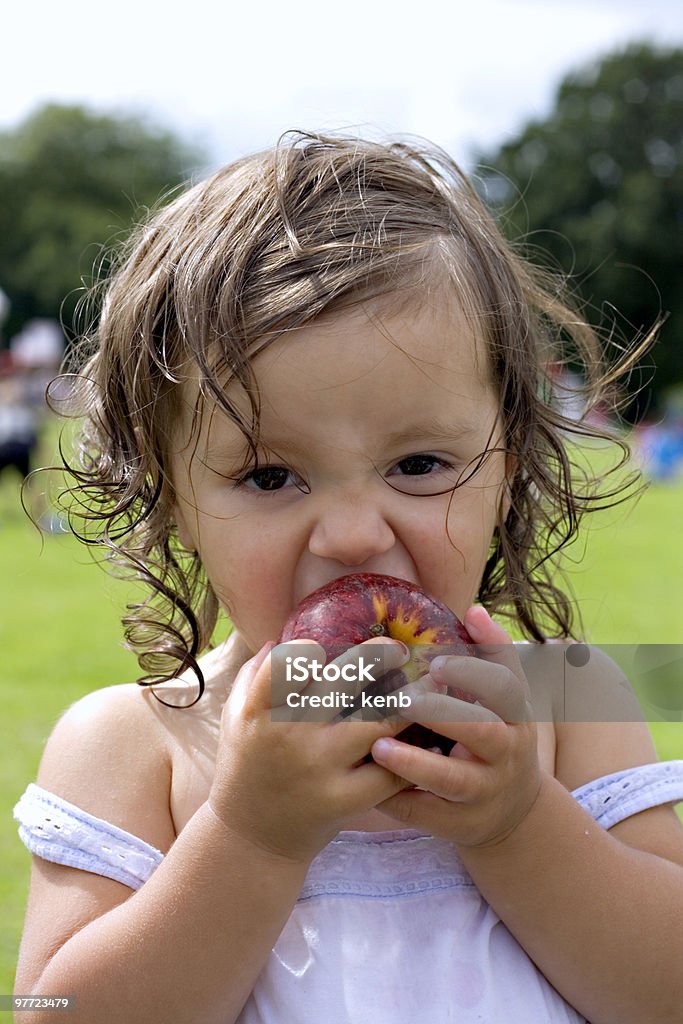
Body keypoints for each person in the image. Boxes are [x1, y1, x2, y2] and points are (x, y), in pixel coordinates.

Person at [12, 131, 683, 1024]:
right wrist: (249, 837)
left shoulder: (565, 709)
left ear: (509, 465)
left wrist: (520, 824)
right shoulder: (139, 746)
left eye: (418, 464)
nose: (356, 536)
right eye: (268, 476)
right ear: (171, 497)